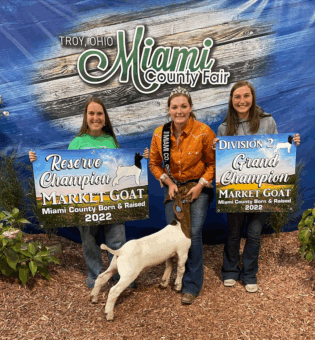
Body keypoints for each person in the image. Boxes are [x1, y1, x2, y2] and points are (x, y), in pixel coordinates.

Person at [29, 97, 149, 288]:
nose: (95, 117)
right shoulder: (77, 142)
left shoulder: (110, 140)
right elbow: (62, 170)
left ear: (105, 116)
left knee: (117, 242)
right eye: (91, 113)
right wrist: (37, 160)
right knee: (89, 242)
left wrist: (142, 159)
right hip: (85, 203)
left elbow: (120, 165)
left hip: (112, 201)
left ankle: (122, 278)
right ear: (85, 116)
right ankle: (95, 277)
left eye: (99, 113)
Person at [213, 80, 300, 293]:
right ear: (231, 101)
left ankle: (249, 273)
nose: (242, 101)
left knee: (253, 233)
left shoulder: (267, 121)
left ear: (252, 98)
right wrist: (217, 147)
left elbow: (277, 153)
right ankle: (230, 271)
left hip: (262, 191)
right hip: (237, 191)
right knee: (233, 232)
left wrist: (290, 142)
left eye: (246, 96)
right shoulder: (224, 127)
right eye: (237, 97)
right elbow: (222, 162)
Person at [149, 86, 216, 305]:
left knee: (192, 233)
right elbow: (154, 163)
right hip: (174, 188)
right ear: (168, 109)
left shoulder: (204, 131)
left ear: (191, 108)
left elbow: (213, 164)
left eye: (183, 106)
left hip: (197, 187)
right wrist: (167, 182)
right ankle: (173, 276)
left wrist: (200, 186)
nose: (179, 111)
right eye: (175, 107)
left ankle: (191, 285)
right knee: (174, 233)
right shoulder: (160, 133)